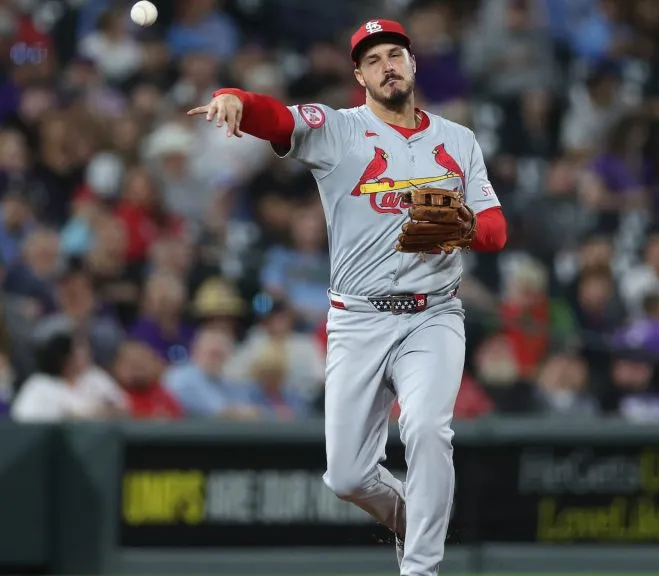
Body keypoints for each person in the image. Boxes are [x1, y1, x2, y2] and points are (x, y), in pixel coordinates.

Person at [189, 18, 507, 576]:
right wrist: (232, 97)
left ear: (412, 65)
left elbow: (496, 231)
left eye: (396, 54)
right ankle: (416, 517)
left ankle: (422, 568)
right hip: (358, 320)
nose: (388, 65)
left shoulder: (459, 139)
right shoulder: (338, 129)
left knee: (429, 429)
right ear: (359, 74)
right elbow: (276, 116)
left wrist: (458, 230)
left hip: (433, 316)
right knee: (347, 477)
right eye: (374, 58)